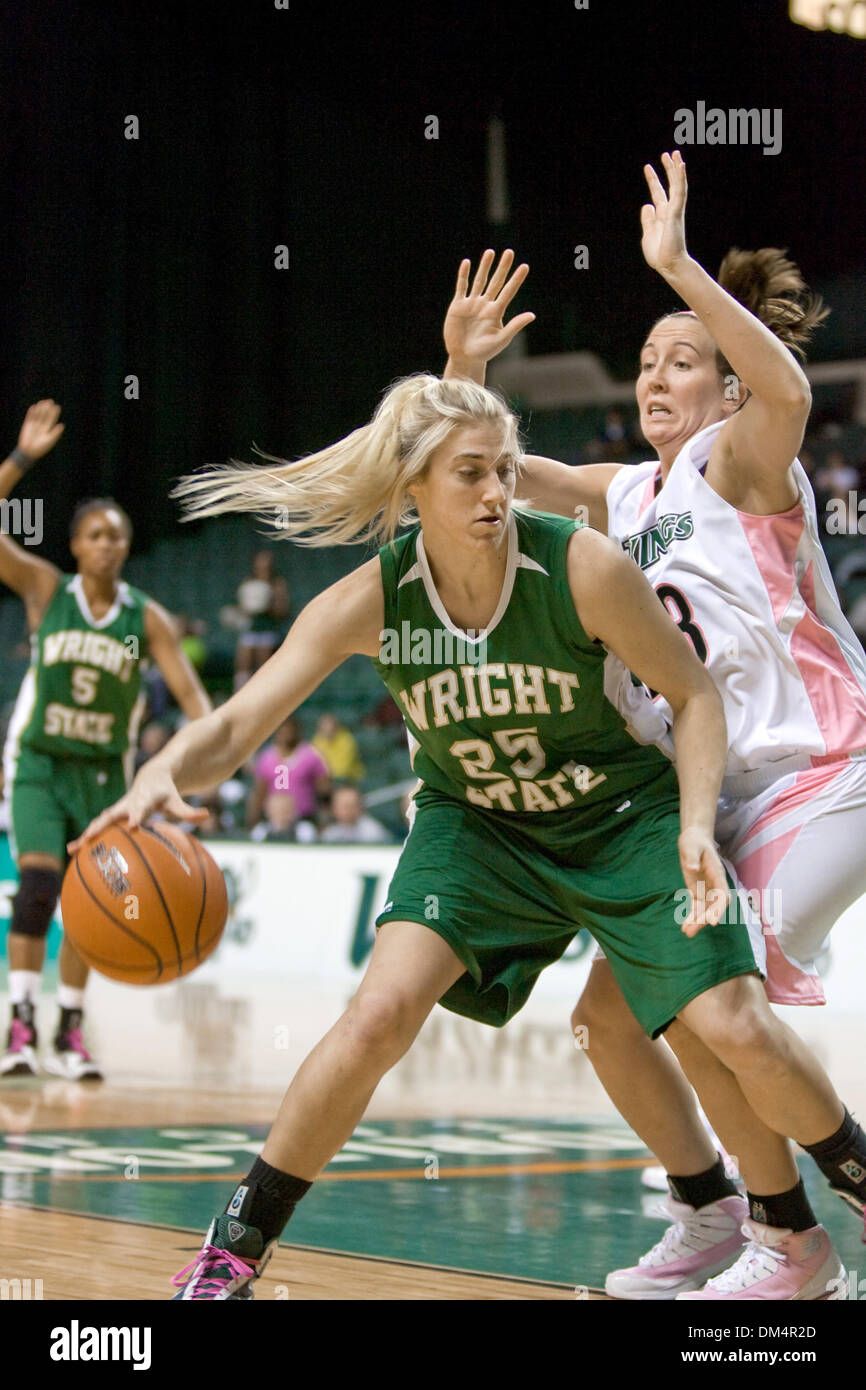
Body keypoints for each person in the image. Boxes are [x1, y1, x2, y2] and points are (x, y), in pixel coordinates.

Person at [73, 373, 851, 1301]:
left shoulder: (580, 566)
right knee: (377, 1015)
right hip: (477, 828)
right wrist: (163, 772)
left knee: (726, 1022)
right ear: (415, 492)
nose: (496, 493)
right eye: (471, 475)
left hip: (618, 816)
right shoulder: (372, 600)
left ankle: (812, 1208)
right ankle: (233, 1249)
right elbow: (241, 729)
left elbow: (691, 696)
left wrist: (692, 824)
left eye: (505, 471)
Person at [441, 153, 866, 1298]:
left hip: (823, 771)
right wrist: (461, 370)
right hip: (715, 791)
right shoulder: (627, 494)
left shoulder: (739, 458)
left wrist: (678, 270)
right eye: (643, 362)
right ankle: (713, 1213)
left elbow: (784, 392)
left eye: (682, 362)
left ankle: (797, 1248)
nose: (653, 378)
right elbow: (481, 468)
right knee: (607, 1019)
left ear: (723, 388)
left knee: (710, 992)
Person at [0, 400, 212, 1080]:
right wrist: (22, 459)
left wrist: (191, 764)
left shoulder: (146, 618)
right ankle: (21, 1024)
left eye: (116, 536)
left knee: (89, 899)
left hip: (103, 773)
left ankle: (69, 1029)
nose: (107, 544)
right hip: (39, 764)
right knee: (38, 887)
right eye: (94, 534)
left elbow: (193, 701)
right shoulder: (44, 589)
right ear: (75, 545)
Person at [246, 716, 329, 829]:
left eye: (289, 730)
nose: (286, 734)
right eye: (282, 731)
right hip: (274, 819)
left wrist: (324, 817)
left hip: (305, 817)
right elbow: (260, 790)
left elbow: (324, 790)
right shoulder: (267, 757)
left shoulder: (311, 754)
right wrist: (254, 817)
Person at [234, 550, 290, 689]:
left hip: (268, 629)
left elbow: (283, 611)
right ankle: (239, 694)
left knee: (263, 665)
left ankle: (265, 692)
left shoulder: (277, 583)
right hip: (251, 628)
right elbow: (242, 607)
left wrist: (268, 604)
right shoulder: (249, 582)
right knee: (243, 664)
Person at [320, 784, 390, 844]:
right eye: (345, 806)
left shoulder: (373, 832)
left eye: (353, 805)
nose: (349, 810)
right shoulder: (330, 833)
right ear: (334, 808)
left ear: (360, 807)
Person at [313, 713, 365, 781]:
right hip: (328, 779)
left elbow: (342, 769)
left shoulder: (347, 740)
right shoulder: (317, 740)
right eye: (323, 728)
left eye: (331, 728)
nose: (327, 731)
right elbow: (313, 763)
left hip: (351, 779)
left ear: (337, 728)